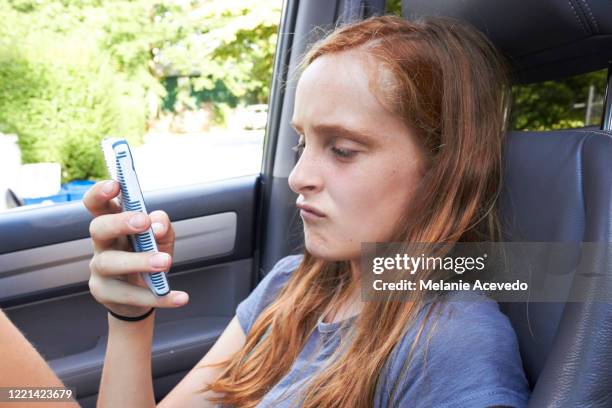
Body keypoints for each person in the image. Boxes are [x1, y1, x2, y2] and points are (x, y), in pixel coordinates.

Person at [83, 15, 530, 407]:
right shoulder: (289, 287)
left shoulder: (451, 345)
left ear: (442, 168)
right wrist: (130, 320)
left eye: (342, 149)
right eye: (302, 142)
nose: (299, 176)